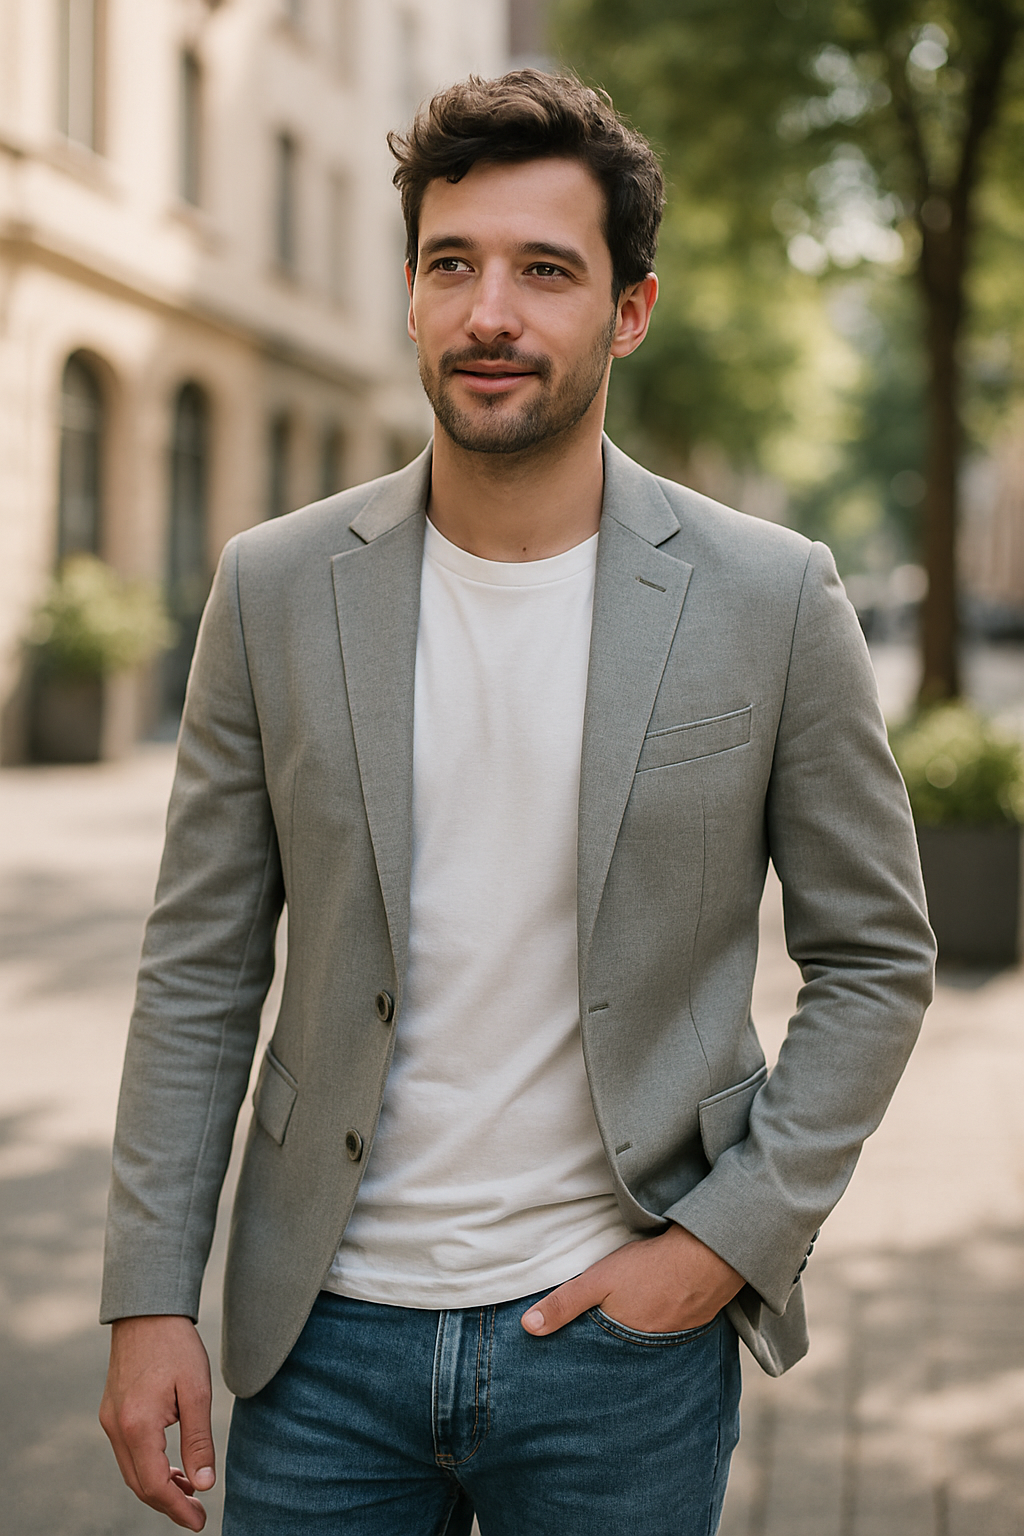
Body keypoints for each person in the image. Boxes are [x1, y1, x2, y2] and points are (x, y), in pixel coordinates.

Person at [99, 69, 935, 1536]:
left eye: (547, 271)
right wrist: (147, 1296)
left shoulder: (771, 596)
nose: (494, 312)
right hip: (320, 1343)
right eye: (452, 264)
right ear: (413, 298)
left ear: (629, 311)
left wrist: (723, 1247)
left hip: (620, 1345)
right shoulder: (275, 587)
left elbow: (876, 961)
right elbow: (200, 973)